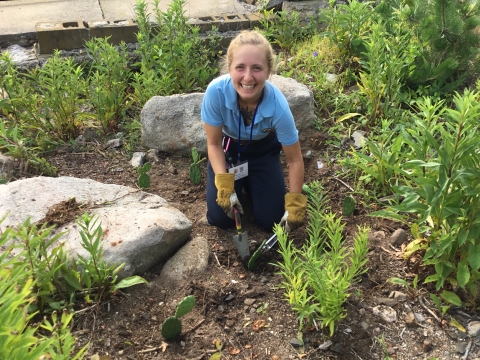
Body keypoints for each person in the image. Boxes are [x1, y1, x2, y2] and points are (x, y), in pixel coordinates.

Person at [201, 30, 307, 233]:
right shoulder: (216, 93)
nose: (248, 77)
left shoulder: (278, 106)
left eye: (257, 68)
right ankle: (239, 185)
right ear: (229, 69)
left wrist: (295, 203)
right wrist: (224, 184)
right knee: (221, 219)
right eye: (240, 67)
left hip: (263, 151)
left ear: (268, 72)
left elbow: (294, 160)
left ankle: (251, 185)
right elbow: (213, 143)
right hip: (229, 151)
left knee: (271, 222)